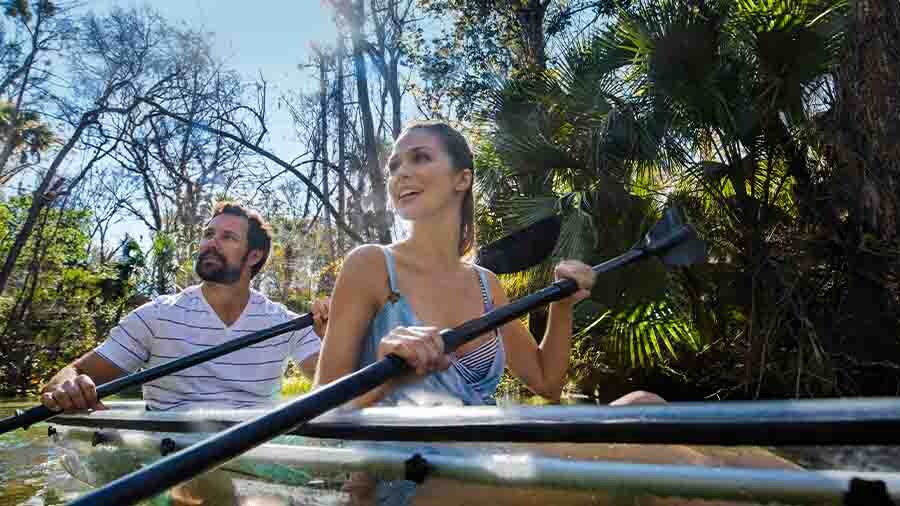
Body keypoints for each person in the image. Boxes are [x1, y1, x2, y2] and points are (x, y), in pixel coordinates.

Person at [315, 120, 655, 408]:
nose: (401, 173)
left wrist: (562, 304)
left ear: (462, 179)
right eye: (394, 167)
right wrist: (386, 373)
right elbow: (320, 408)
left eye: (420, 158)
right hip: (403, 461)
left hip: (484, 451)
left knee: (643, 402)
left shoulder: (486, 284)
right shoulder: (370, 265)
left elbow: (546, 382)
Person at [40, 201, 330, 506]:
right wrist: (67, 386)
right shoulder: (156, 316)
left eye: (228, 237)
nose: (211, 243)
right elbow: (69, 374)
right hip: (170, 458)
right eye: (208, 234)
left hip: (255, 452)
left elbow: (333, 383)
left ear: (254, 256)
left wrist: (333, 335)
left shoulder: (285, 322)